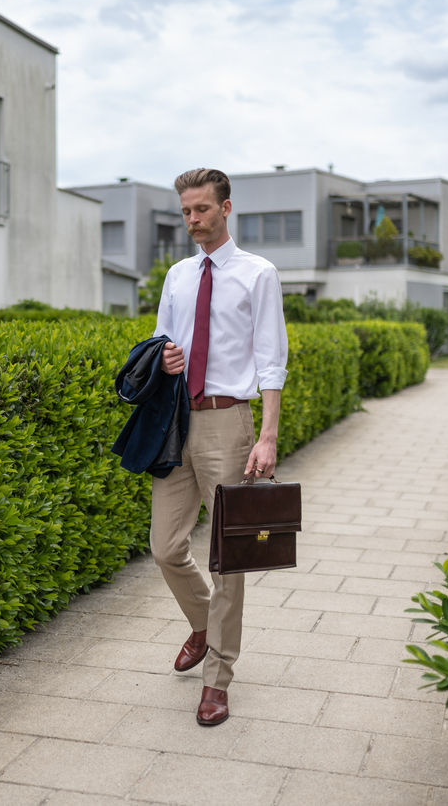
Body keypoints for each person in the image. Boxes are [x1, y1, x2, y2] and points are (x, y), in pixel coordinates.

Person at [152, 167, 287, 726]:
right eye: (185, 211)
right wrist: (163, 358)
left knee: (229, 559)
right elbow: (160, 341)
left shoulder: (258, 274)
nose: (192, 220)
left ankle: (218, 680)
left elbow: (271, 358)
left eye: (202, 209)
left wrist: (268, 435)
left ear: (225, 209)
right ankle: (204, 623)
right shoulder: (178, 276)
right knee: (165, 546)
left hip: (228, 423)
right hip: (177, 421)